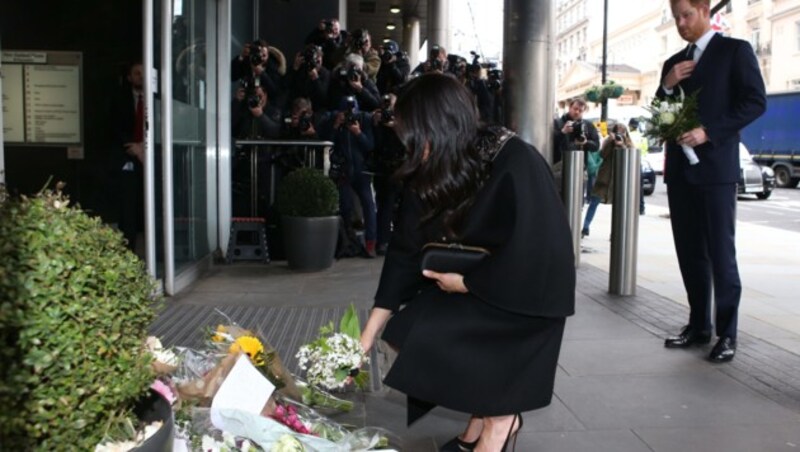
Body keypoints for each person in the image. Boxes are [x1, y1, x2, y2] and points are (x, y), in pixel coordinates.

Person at [359, 74, 575, 452]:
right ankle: (484, 411)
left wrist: (469, 284)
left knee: (449, 341)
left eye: (414, 135)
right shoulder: (432, 163)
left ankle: (499, 419)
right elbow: (404, 251)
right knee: (407, 331)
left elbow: (542, 253)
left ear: (438, 126)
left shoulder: (515, 160)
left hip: (523, 300)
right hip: (473, 287)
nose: (411, 147)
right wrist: (365, 337)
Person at [659, 0, 766, 363]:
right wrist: (668, 85)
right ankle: (698, 325)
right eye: (676, 18)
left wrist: (710, 132)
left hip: (715, 169)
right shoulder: (672, 63)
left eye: (686, 15)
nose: (681, 23)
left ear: (705, 10)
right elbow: (660, 113)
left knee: (721, 253)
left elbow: (755, 102)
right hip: (680, 171)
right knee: (689, 252)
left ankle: (728, 333)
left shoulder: (735, 50)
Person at [109, 61, 145, 254]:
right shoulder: (119, 99)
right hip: (127, 159)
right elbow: (114, 128)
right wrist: (135, 148)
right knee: (128, 209)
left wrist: (144, 147)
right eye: (137, 73)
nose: (141, 76)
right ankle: (128, 254)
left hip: (153, 158)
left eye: (143, 72)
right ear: (130, 78)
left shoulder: (158, 99)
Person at [581, 122, 633, 238]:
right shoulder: (609, 141)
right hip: (605, 178)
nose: (619, 134)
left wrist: (622, 145)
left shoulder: (628, 143)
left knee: (619, 206)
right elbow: (603, 155)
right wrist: (611, 141)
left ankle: (615, 232)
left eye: (622, 131)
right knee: (594, 203)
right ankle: (585, 227)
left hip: (619, 179)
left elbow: (630, 157)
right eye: (617, 131)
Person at [628, 118, 648, 215]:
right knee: (639, 187)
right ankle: (641, 208)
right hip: (639, 162)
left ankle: (630, 206)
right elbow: (645, 151)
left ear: (630, 126)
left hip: (628, 163)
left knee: (628, 186)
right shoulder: (642, 137)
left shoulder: (628, 135)